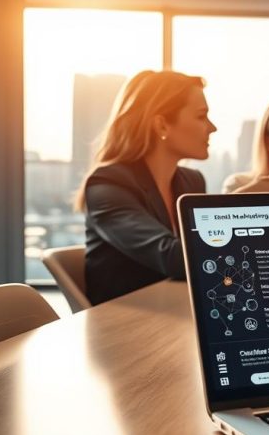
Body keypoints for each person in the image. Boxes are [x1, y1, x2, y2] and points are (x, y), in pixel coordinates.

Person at [76, 70, 216, 305]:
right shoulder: (108, 184)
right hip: (127, 327)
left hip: (178, 311)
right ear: (162, 125)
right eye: (201, 116)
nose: (212, 127)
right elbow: (173, 257)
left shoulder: (192, 181)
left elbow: (207, 247)